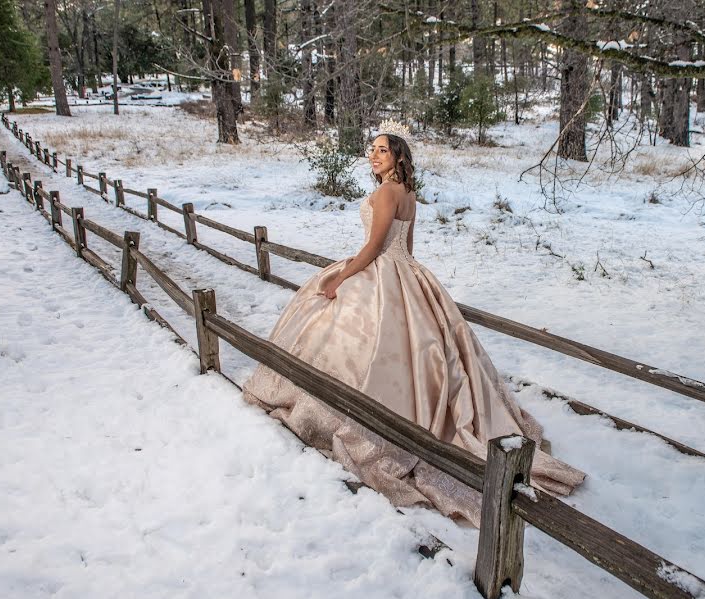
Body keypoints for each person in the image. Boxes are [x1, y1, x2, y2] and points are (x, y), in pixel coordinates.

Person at [243, 121, 584, 525]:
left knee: (358, 339)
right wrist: (412, 280)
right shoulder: (409, 193)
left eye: (382, 150)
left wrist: (340, 276)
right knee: (416, 347)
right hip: (407, 269)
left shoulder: (388, 191)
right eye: (372, 149)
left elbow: (374, 247)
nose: (374, 155)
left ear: (398, 157)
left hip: (383, 270)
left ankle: (356, 413)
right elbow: (408, 247)